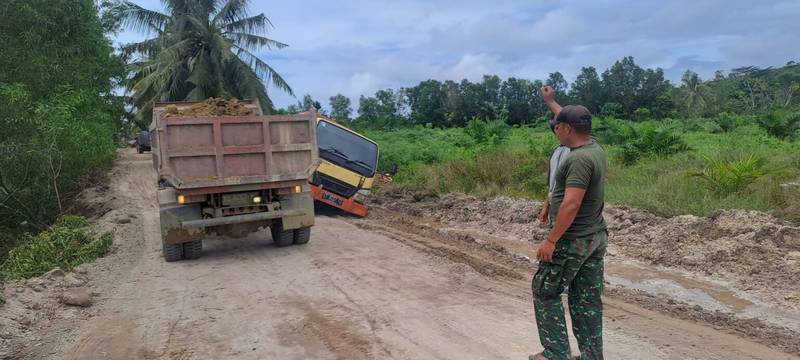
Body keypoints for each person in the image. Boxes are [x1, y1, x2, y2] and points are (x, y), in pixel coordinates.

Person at [531, 91, 608, 360]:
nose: (556, 129)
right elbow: (571, 117)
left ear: (567, 129)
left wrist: (551, 240)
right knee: (586, 299)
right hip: (594, 236)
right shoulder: (593, 148)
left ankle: (555, 353)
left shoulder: (578, 159)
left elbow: (571, 203)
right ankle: (591, 355)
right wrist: (551, 102)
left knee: (545, 290)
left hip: (572, 240)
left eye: (558, 126)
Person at [537, 86, 570, 227]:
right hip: (555, 208)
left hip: (570, 209)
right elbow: (552, 186)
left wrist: (550, 101)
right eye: (555, 127)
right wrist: (546, 206)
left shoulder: (578, 150)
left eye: (559, 126)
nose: (556, 129)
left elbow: (573, 121)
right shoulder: (555, 152)